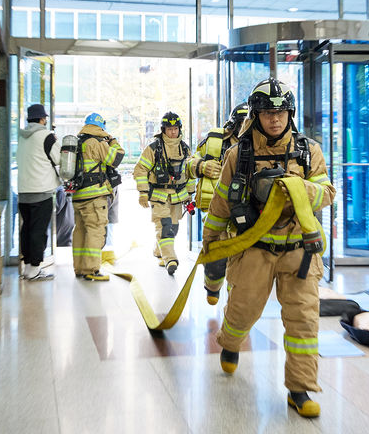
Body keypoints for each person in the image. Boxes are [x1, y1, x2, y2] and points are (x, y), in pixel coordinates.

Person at [201, 78, 335, 418]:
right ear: (256, 115)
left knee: (303, 322)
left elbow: (327, 192)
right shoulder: (238, 154)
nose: (275, 119)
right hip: (253, 249)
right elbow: (219, 204)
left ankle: (299, 389)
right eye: (267, 112)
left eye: (281, 112)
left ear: (289, 113)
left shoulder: (309, 151)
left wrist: (297, 188)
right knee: (242, 311)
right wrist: (211, 246)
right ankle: (230, 345)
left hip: (299, 252)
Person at [190, 101, 248, 305]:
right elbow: (190, 162)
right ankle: (212, 288)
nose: (244, 128)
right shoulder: (215, 142)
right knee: (215, 254)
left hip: (247, 210)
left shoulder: (260, 144)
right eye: (241, 123)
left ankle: (235, 299)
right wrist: (202, 166)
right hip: (217, 208)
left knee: (242, 260)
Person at [134, 112, 198, 275]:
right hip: (159, 195)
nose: (173, 132)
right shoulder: (154, 148)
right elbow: (140, 169)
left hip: (178, 196)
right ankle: (171, 259)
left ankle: (159, 251)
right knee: (165, 227)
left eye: (175, 129)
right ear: (163, 130)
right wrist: (143, 192)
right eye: (169, 129)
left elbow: (189, 173)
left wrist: (190, 194)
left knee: (173, 228)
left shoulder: (184, 148)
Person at [71, 113, 124, 281]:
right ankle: (91, 270)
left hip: (78, 196)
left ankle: (79, 268)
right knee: (96, 231)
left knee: (80, 231)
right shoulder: (96, 142)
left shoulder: (79, 142)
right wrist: (112, 140)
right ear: (100, 127)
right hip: (94, 196)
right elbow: (117, 157)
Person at [16, 103, 60, 281]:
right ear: (43, 119)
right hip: (41, 191)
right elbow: (58, 158)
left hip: (23, 191)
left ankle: (27, 267)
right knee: (38, 231)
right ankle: (35, 269)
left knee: (26, 229)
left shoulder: (21, 136)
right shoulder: (46, 136)